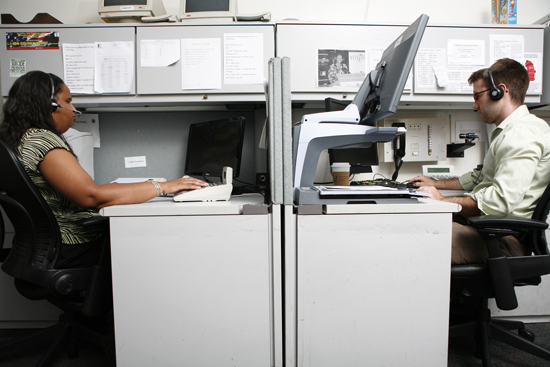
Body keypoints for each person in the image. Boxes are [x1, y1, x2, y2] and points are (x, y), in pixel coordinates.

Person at [0, 71, 209, 268]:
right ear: (50, 105)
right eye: (68, 101)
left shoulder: (19, 138)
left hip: (46, 248)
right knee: (157, 249)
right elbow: (91, 197)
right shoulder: (42, 140)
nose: (73, 108)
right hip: (72, 247)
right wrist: (163, 186)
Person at [409, 58, 550, 264]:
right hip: (489, 231)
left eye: (477, 96)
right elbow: (480, 177)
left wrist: (442, 201)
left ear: (499, 92)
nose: (475, 105)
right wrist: (436, 184)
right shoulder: (513, 130)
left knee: (411, 240)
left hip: (502, 240)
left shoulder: (521, 134)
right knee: (411, 225)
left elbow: (499, 201)